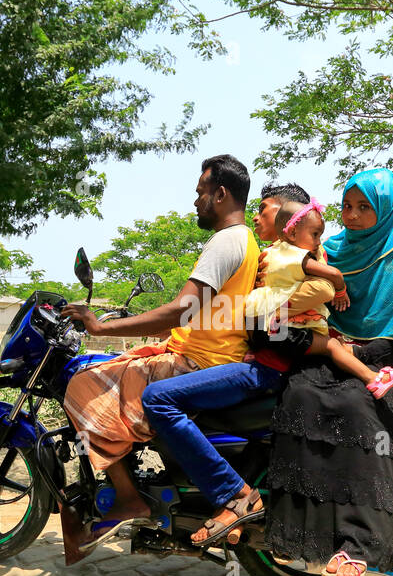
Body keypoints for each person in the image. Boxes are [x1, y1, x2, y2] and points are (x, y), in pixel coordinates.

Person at [57, 154, 259, 564]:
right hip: (203, 351)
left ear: (221, 194)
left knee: (82, 383)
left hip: (200, 362)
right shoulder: (246, 240)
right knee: (110, 374)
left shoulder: (226, 240)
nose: (196, 202)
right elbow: (203, 313)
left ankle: (131, 498)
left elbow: (181, 308)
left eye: (201, 193)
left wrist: (100, 328)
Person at [140, 184, 337, 548]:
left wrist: (274, 305)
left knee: (157, 399)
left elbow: (324, 289)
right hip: (255, 361)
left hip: (265, 368)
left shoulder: (298, 254)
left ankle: (235, 493)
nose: (258, 217)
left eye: (265, 210)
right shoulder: (269, 255)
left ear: (286, 218)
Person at [263, 167, 393, 576]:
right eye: (346, 207)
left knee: (358, 406)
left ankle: (358, 546)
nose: (351, 216)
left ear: (385, 210)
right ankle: (296, 537)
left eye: (363, 208)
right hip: (328, 345)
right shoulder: (329, 248)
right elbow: (291, 274)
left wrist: (363, 354)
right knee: (299, 395)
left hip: (379, 354)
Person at [243, 197, 393, 397]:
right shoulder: (294, 254)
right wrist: (340, 290)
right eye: (315, 235)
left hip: (262, 330)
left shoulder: (270, 252)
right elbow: (333, 275)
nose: (318, 243)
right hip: (280, 330)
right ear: (293, 232)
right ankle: (372, 378)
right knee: (331, 346)